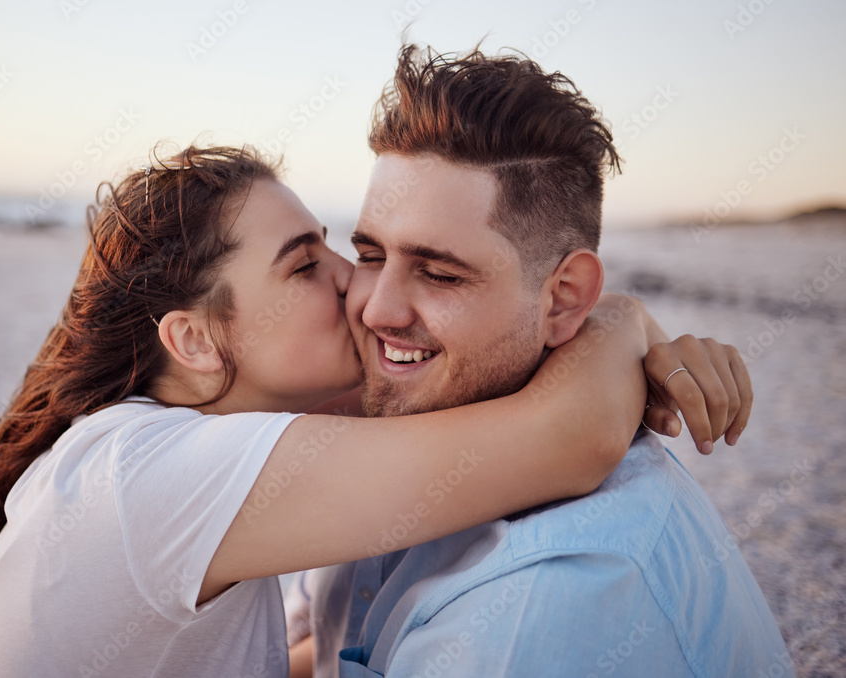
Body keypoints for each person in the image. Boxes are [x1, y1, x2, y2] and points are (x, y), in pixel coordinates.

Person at [0, 140, 748, 677]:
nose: (355, 284)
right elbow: (569, 435)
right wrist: (621, 320)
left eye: (337, 247)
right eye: (303, 266)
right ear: (193, 340)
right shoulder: (152, 477)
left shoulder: (178, 446)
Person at [293, 45, 790, 677]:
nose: (377, 310)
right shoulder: (386, 435)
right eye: (369, 256)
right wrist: (624, 320)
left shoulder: (537, 607)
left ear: (564, 300)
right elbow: (331, 652)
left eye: (441, 275)